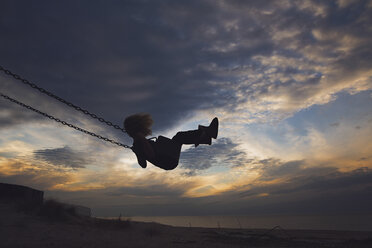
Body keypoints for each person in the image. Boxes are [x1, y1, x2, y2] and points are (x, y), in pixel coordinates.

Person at [124, 113, 218, 170]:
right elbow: (150, 156)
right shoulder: (139, 141)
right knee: (179, 137)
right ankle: (207, 133)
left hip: (168, 161)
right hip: (167, 160)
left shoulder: (137, 143)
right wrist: (140, 148)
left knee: (178, 138)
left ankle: (205, 138)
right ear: (139, 127)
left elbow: (143, 164)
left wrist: (138, 152)